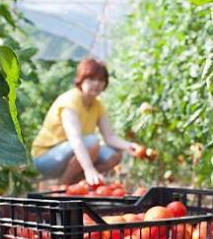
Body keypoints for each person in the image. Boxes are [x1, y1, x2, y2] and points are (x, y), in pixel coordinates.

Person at [32, 58, 143, 186]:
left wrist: (130, 146)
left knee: (115, 156)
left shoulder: (98, 104)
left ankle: (75, 186)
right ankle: (62, 188)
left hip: (73, 154)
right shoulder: (70, 101)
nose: (96, 84)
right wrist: (89, 168)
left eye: (101, 80)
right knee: (91, 142)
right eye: (91, 79)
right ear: (81, 80)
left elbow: (109, 137)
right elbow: (76, 141)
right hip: (47, 159)